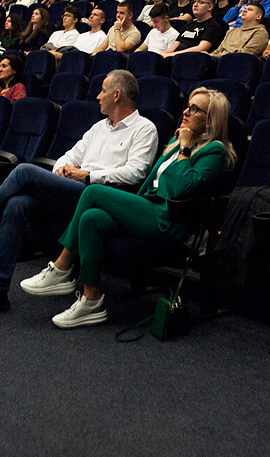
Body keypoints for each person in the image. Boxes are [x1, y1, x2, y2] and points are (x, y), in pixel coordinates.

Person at [0, 70, 159, 321]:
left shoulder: (144, 129)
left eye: (103, 90)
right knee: (18, 204)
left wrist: (87, 175)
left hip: (105, 200)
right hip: (74, 193)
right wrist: (60, 168)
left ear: (117, 95)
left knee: (24, 172)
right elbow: (69, 155)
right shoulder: (99, 127)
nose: (98, 96)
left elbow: (135, 173)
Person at [18, 86, 235, 328]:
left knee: (93, 191)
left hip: (171, 221)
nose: (186, 111)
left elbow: (182, 187)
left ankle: (62, 266)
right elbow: (153, 181)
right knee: (92, 218)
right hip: (149, 209)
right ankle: (91, 300)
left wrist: (184, 148)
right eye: (188, 105)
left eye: (195, 109)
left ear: (211, 119)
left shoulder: (214, 151)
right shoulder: (178, 140)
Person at [161, 0, 226, 57]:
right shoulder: (188, 25)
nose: (195, 5)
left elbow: (201, 48)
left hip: (192, 59)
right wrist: (161, 55)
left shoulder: (213, 26)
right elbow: (173, 48)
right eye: (194, 2)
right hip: (175, 57)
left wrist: (172, 55)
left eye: (200, 2)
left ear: (210, 7)